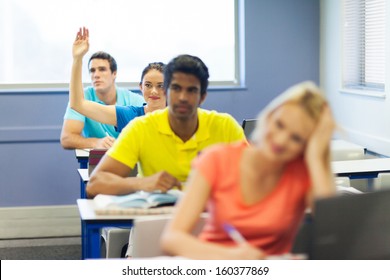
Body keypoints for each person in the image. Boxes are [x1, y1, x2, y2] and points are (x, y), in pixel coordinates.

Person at [160, 81, 337, 260]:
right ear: (269, 116)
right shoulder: (216, 159)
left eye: (296, 138)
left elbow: (333, 231)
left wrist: (316, 156)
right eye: (279, 125)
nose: (281, 140)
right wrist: (233, 256)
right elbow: (172, 238)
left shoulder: (302, 173)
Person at [86, 54, 246, 197]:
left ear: (202, 96)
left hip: (211, 221)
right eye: (176, 89)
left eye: (191, 90)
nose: (182, 97)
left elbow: (257, 176)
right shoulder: (141, 127)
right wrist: (143, 183)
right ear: (167, 92)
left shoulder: (225, 126)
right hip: (156, 220)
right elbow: (95, 184)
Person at [60, 27, 145, 149]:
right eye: (92, 71)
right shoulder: (81, 98)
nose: (96, 75)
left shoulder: (134, 102)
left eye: (102, 69)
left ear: (114, 73)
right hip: (96, 162)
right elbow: (66, 139)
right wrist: (96, 143)